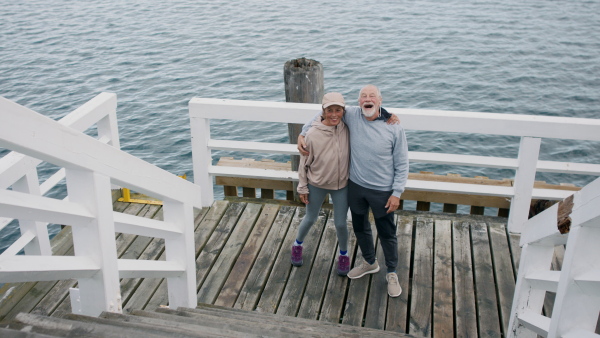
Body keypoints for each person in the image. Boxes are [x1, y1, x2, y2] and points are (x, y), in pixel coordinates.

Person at [298, 85, 409, 297]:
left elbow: (402, 163)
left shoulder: (393, 126)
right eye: (363, 96)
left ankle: (392, 272)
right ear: (358, 102)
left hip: (383, 190)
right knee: (361, 227)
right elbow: (325, 113)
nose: (368, 99)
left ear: (380, 100)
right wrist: (302, 134)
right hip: (356, 185)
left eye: (372, 96)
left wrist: (397, 192)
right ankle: (369, 262)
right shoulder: (352, 115)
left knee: (387, 233)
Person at [291, 92, 352, 276]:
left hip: (342, 185)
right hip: (316, 184)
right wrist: (302, 187)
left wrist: (389, 116)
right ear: (323, 111)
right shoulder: (312, 134)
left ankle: (343, 254)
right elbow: (304, 163)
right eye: (330, 110)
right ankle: (297, 245)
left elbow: (369, 115)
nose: (334, 114)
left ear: (343, 110)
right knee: (310, 218)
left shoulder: (348, 127)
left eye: (338, 110)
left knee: (341, 223)